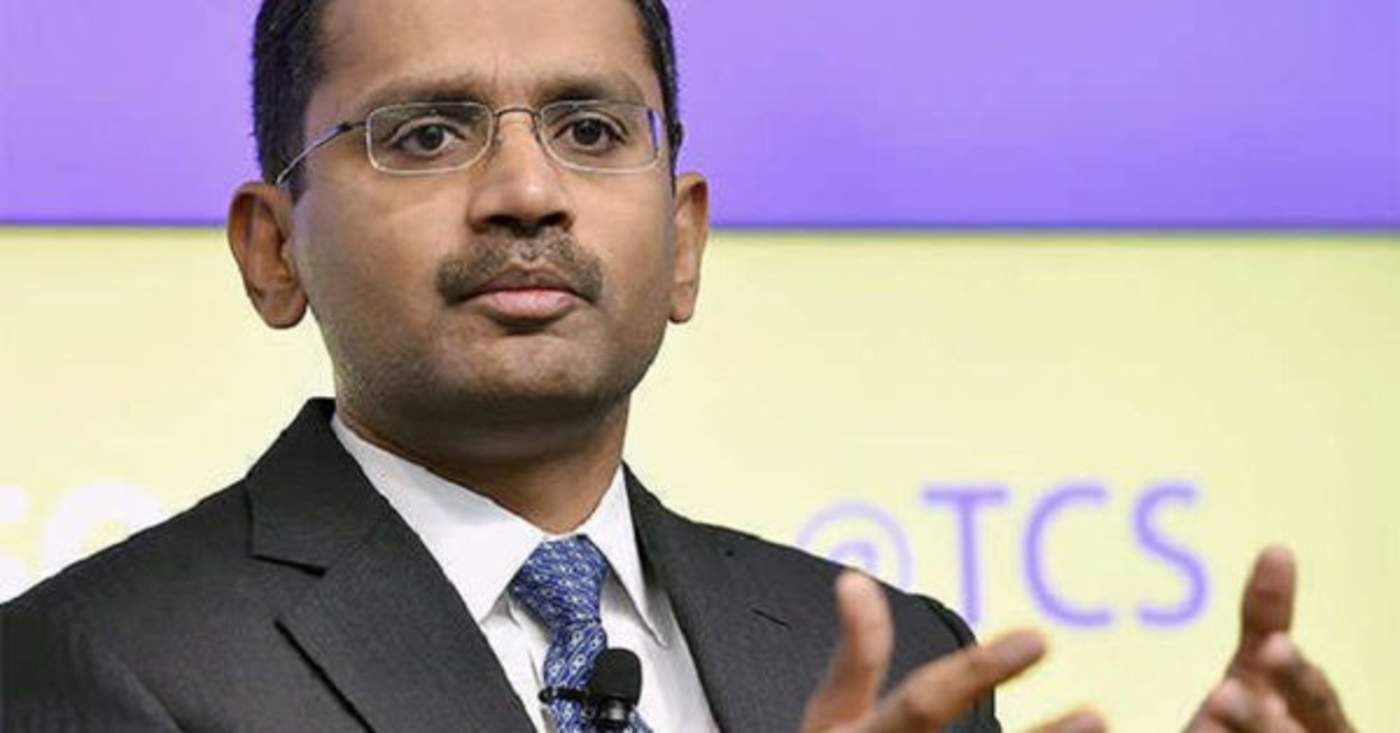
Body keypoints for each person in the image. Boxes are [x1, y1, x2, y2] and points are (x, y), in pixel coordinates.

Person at [0, 1, 1356, 731]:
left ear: (686, 239)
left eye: (592, 131)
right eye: (425, 135)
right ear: (271, 249)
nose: (527, 192)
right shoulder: (98, 669)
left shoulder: (888, 653)